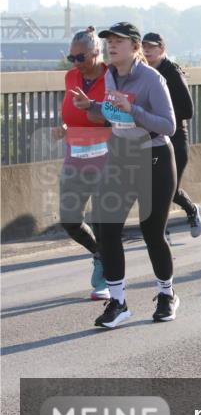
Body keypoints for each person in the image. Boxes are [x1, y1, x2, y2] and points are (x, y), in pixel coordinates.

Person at [71, 22, 178, 328]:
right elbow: (113, 112)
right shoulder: (109, 74)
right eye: (108, 42)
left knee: (152, 231)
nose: (110, 46)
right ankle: (118, 302)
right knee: (105, 227)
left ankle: (167, 295)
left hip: (154, 156)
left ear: (135, 47)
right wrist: (91, 105)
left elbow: (168, 125)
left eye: (118, 41)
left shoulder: (152, 79)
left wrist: (133, 111)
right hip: (122, 155)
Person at [56, 26, 111, 300]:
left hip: (107, 155)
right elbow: (69, 111)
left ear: (97, 53)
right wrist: (64, 126)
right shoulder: (71, 77)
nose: (76, 63)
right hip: (75, 154)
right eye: (72, 58)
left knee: (102, 218)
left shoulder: (113, 77)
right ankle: (100, 253)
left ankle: (107, 277)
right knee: (69, 219)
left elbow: (119, 117)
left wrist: (92, 106)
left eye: (81, 57)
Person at [141, 32, 201, 239]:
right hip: (150, 138)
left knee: (168, 188)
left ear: (162, 49)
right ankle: (163, 231)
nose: (147, 50)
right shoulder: (141, 73)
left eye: (152, 47)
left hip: (175, 138)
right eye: (144, 46)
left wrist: (161, 117)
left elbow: (188, 110)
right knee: (151, 187)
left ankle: (191, 211)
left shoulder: (172, 72)